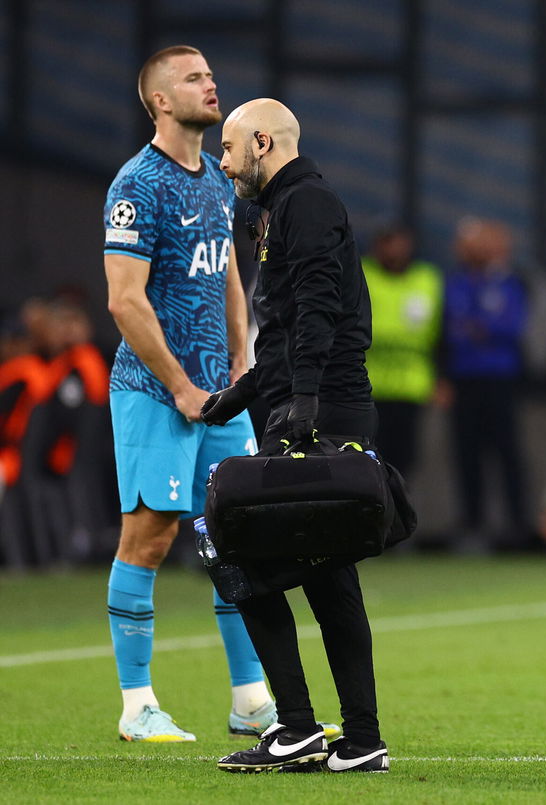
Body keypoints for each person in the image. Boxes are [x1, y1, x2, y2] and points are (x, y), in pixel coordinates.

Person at [202, 98, 388, 773]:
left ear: (262, 140)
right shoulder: (286, 209)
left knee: (239, 558)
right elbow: (281, 339)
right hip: (315, 405)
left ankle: (300, 727)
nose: (222, 163)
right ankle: (361, 738)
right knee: (327, 574)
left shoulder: (303, 205)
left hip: (318, 413)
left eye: (227, 149)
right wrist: (236, 399)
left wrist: (302, 400)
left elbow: (317, 308)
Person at [101, 45, 273, 742]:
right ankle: (137, 704)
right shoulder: (136, 185)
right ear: (160, 101)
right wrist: (179, 384)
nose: (212, 84)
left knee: (239, 534)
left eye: (211, 73)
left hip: (219, 394)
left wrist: (241, 359)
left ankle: (251, 699)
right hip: (154, 389)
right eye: (194, 78)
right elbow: (123, 300)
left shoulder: (215, 179)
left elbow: (227, 271)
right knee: (151, 535)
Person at [441, 218, 531, 550]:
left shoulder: (509, 282)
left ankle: (518, 527)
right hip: (464, 380)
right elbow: (451, 329)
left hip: (500, 380)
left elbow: (510, 327)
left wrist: (479, 329)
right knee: (467, 455)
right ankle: (472, 526)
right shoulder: (456, 281)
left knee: (507, 454)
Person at [360, 225, 443, 478]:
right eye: (387, 242)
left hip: (412, 387)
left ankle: (400, 511)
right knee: (369, 456)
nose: (394, 248)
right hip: (368, 386)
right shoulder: (363, 274)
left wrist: (442, 378)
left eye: (399, 241)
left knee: (406, 458)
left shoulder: (427, 279)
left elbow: (442, 331)